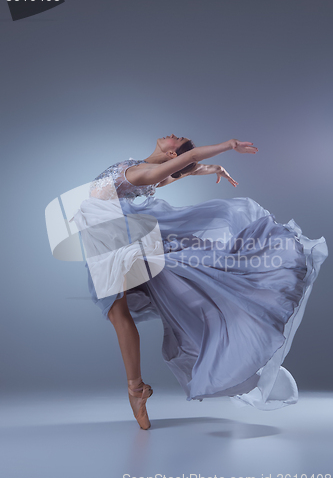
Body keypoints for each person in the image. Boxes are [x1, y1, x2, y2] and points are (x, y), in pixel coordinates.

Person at [72, 135, 328, 430]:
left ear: (170, 153)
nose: (176, 136)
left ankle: (137, 388)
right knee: (118, 313)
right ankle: (137, 389)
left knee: (119, 313)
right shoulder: (142, 169)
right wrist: (212, 168)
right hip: (108, 236)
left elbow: (182, 165)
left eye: (178, 141)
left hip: (112, 239)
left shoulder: (143, 173)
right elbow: (183, 170)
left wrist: (228, 146)